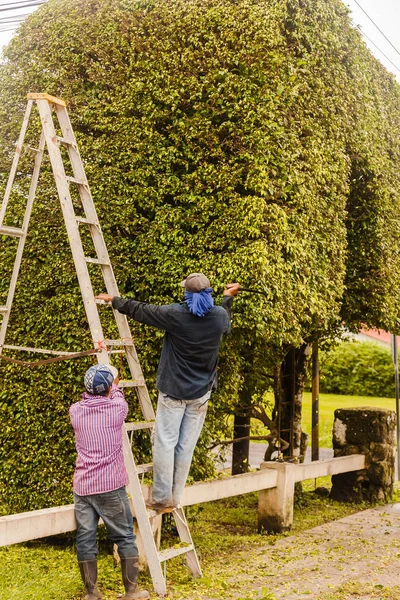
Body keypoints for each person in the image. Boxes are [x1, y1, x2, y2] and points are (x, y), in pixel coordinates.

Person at [95, 274, 240, 511]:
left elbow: (142, 310)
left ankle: (162, 498)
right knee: (186, 446)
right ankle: (176, 497)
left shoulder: (176, 315)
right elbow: (223, 316)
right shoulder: (220, 317)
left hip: (174, 392)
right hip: (201, 395)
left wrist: (114, 300)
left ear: (187, 295)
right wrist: (227, 298)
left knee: (165, 443)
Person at [69, 363, 149, 600]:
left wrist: (103, 380)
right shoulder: (118, 408)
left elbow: (99, 393)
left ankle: (92, 594)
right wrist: (114, 382)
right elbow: (116, 393)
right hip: (110, 487)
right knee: (124, 536)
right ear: (110, 387)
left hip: (83, 487)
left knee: (85, 537)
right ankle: (131, 592)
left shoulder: (75, 410)